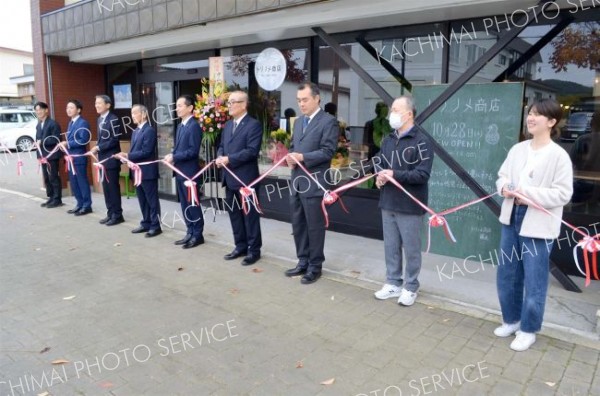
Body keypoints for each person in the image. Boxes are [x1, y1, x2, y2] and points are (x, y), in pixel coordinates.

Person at [495, 98, 573, 352]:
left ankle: (528, 329)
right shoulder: (518, 149)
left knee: (535, 279)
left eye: (538, 115)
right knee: (507, 274)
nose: (531, 117)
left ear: (551, 122)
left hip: (538, 223)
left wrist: (529, 193)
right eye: (530, 113)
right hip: (512, 216)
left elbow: (563, 194)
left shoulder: (558, 156)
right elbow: (502, 176)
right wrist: (504, 188)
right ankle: (511, 320)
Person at [372, 96, 434, 306]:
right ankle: (393, 282)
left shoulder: (422, 141)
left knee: (411, 247)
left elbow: (422, 175)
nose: (392, 114)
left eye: (396, 110)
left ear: (409, 114)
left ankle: (410, 286)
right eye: (392, 110)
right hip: (387, 201)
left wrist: (394, 174)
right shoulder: (388, 139)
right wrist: (379, 176)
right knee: (391, 246)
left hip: (410, 204)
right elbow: (380, 163)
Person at [284, 82, 338, 284]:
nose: (301, 104)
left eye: (305, 99)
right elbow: (293, 146)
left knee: (314, 227)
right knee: (298, 225)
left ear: (317, 98)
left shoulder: (328, 121)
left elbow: (328, 151)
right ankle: (302, 261)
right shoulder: (298, 122)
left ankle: (315, 266)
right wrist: (290, 157)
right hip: (297, 181)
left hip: (315, 184)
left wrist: (302, 156)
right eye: (298, 100)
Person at [216, 91, 263, 265]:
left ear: (243, 104)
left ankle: (254, 250)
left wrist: (229, 159)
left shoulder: (253, 125)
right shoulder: (228, 125)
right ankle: (240, 246)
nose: (229, 105)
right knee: (234, 214)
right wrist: (220, 156)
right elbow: (221, 146)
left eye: (233, 102)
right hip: (229, 178)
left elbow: (252, 151)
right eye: (228, 102)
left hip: (246, 180)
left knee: (250, 216)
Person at [116, 104, 162, 238]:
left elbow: (146, 151)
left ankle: (156, 225)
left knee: (151, 200)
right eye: (131, 114)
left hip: (147, 172)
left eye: (135, 113)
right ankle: (146, 222)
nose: (133, 116)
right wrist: (126, 157)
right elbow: (134, 151)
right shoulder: (135, 131)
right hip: (136, 171)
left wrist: (128, 156)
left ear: (144, 114)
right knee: (142, 199)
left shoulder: (150, 131)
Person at [164, 94, 204, 249]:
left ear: (190, 108)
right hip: (180, 171)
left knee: (193, 204)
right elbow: (179, 148)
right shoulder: (181, 125)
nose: (177, 108)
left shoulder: (194, 126)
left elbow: (193, 151)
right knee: (184, 204)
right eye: (177, 105)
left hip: (190, 173)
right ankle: (190, 231)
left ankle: (198, 234)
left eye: (180, 105)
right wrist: (172, 155)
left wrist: (175, 156)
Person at [92, 95, 124, 226]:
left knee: (112, 188)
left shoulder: (114, 119)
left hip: (111, 159)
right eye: (96, 103)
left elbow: (114, 140)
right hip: (103, 160)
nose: (97, 105)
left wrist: (99, 147)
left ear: (108, 105)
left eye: (99, 103)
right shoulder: (100, 119)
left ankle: (117, 215)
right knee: (106, 188)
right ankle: (110, 213)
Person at [60, 99, 92, 216]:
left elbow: (83, 141)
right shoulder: (71, 123)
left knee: (82, 181)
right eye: (67, 107)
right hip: (70, 158)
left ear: (78, 110)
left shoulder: (83, 123)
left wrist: (67, 144)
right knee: (74, 182)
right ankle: (79, 204)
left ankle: (87, 205)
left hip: (78, 157)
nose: (68, 110)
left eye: (71, 107)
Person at [34, 101, 63, 208]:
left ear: (46, 110)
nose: (39, 112)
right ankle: (51, 197)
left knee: (53, 177)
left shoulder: (53, 123)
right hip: (43, 156)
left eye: (40, 109)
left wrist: (43, 141)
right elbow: (38, 139)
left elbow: (57, 139)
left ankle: (57, 199)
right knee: (46, 178)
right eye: (36, 110)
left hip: (52, 155)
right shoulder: (38, 125)